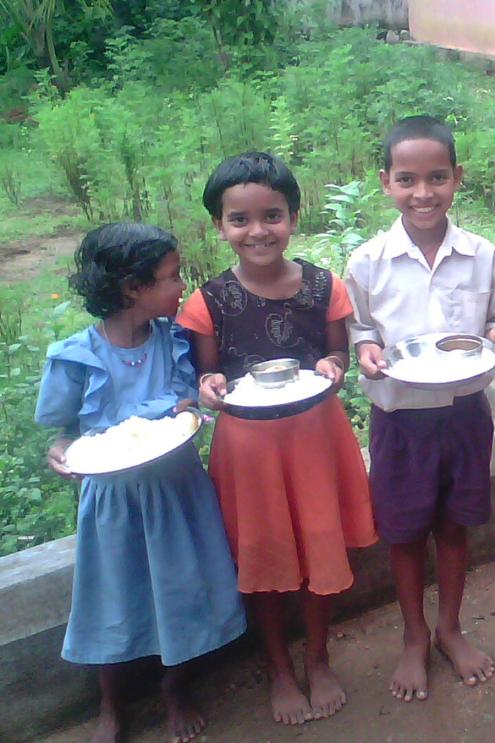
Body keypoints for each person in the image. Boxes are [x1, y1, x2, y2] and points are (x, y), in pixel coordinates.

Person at [177, 152, 377, 725]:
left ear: (293, 216)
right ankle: (279, 669)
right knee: (263, 556)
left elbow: (336, 350)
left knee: (320, 543)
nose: (258, 230)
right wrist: (210, 385)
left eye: (272, 215)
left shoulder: (323, 285)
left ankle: (317, 658)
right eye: (240, 219)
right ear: (219, 225)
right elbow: (207, 374)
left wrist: (337, 366)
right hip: (248, 450)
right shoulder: (207, 301)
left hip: (316, 438)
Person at [36, 223, 246, 743]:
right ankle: (112, 702)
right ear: (133, 288)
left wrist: (196, 401)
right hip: (114, 503)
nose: (181, 286)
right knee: (113, 594)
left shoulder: (174, 342)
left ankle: (175, 687)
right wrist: (60, 452)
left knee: (182, 590)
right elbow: (65, 434)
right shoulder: (78, 357)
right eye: (171, 277)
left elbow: (193, 397)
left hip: (178, 492)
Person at [345, 116, 495, 702]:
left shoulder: (480, 254)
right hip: (400, 418)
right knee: (403, 531)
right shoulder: (368, 261)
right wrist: (366, 351)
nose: (424, 192)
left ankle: (449, 627)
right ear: (386, 183)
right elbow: (361, 331)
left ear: (458, 178)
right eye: (408, 179)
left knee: (453, 524)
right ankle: (414, 636)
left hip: (464, 414)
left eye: (437, 177)